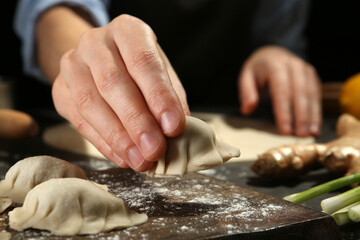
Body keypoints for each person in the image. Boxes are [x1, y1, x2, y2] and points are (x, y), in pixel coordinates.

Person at [14, 0, 321, 172]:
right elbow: (55, 15)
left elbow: (280, 35)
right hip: (87, 133)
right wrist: (89, 65)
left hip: (233, 109)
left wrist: (275, 52)